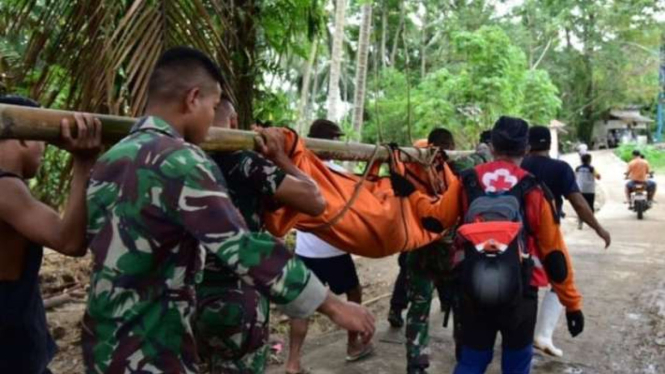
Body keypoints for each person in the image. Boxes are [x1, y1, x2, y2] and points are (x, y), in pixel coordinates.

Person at [82, 46, 375, 373]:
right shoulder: (182, 161)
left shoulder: (109, 159)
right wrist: (334, 306)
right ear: (193, 98)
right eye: (212, 104)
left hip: (103, 349)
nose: (213, 118)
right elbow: (245, 248)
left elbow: (81, 241)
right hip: (152, 354)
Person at [194, 97, 327, 374]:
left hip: (183, 296)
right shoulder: (246, 163)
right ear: (233, 123)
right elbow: (315, 200)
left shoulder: (176, 160)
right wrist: (279, 157)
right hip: (237, 296)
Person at [0, 95, 102, 373]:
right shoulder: (6, 188)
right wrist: (84, 162)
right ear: (23, 138)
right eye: (42, 142)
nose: (43, 152)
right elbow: (70, 241)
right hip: (11, 349)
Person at [398, 128, 490, 374]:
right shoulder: (463, 166)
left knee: (419, 307)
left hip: (421, 249)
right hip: (452, 253)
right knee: (461, 307)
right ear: (450, 145)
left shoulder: (412, 165)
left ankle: (416, 364)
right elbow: (482, 158)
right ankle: (464, 356)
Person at [285, 119, 372, 374]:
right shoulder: (337, 175)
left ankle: (292, 362)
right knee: (353, 293)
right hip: (332, 251)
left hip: (304, 250)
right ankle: (353, 346)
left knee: (301, 305)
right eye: (334, 140)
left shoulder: (297, 169)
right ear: (327, 142)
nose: (336, 145)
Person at [522, 126, 608, 358]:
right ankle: (542, 334)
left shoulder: (519, 164)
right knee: (559, 277)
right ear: (549, 145)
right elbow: (578, 203)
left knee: (520, 284)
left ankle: (516, 336)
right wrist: (598, 228)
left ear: (527, 144)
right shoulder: (560, 168)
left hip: (516, 236)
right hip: (546, 235)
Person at [575, 154, 601, 230]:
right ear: (589, 160)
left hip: (580, 190)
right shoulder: (591, 168)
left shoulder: (578, 168)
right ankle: (592, 223)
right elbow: (599, 177)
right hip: (590, 190)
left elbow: (574, 177)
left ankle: (580, 222)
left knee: (580, 207)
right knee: (590, 206)